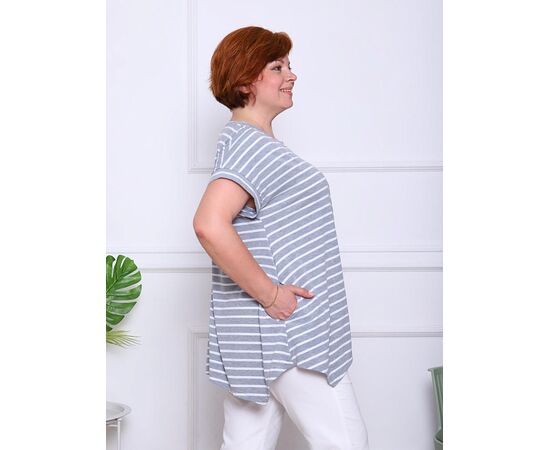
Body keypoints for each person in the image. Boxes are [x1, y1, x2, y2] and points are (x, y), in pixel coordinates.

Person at [193, 26, 370, 450]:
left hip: (255, 334)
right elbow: (209, 223)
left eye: (289, 65)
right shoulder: (251, 147)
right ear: (244, 81)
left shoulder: (245, 144)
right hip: (288, 334)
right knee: (346, 443)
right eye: (277, 67)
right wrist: (272, 296)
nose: (291, 75)